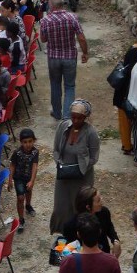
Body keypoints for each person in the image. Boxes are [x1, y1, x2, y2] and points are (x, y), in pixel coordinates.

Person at [50, 100, 100, 235]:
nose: (76, 120)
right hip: (64, 176)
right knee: (61, 206)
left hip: (82, 178)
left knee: (79, 208)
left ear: (85, 118)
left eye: (80, 118)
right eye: (73, 117)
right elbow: (56, 149)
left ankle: (81, 235)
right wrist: (61, 165)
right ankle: (64, 233)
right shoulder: (63, 127)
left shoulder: (91, 133)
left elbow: (94, 157)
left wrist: (80, 168)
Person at [40, 0, 89, 120]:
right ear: (63, 4)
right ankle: (67, 116)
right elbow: (81, 38)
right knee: (69, 86)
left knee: (55, 84)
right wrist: (85, 53)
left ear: (51, 5)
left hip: (53, 57)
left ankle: (57, 112)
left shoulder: (45, 20)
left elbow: (43, 39)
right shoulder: (72, 18)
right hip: (69, 57)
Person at [113, 29, 137, 155]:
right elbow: (131, 75)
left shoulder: (136, 51)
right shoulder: (135, 53)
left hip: (129, 94)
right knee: (126, 122)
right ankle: (127, 146)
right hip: (126, 94)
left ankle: (130, 146)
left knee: (132, 124)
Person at [62, 186, 121, 257]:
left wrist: (115, 240)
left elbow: (109, 227)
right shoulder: (70, 226)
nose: (102, 202)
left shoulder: (104, 212)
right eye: (98, 200)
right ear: (88, 207)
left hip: (104, 255)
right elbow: (70, 249)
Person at [8, 128, 39, 234]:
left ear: (33, 141)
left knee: (29, 191)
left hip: (28, 177)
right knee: (20, 197)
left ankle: (28, 205)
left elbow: (35, 166)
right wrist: (10, 180)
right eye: (25, 142)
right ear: (21, 142)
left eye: (30, 141)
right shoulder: (17, 153)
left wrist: (32, 180)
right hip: (18, 178)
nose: (28, 144)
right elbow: (12, 165)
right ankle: (21, 219)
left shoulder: (35, 152)